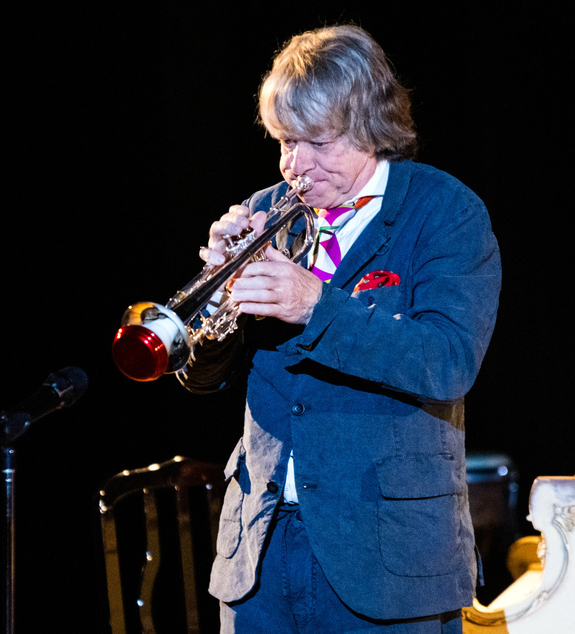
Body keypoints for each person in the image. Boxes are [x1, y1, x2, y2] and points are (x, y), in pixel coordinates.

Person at [178, 24, 501, 633]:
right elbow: (203, 380)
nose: (295, 166)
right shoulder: (270, 210)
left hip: (388, 562)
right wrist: (219, 308)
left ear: (371, 127)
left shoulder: (445, 212)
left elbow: (448, 361)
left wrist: (315, 305)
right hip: (261, 553)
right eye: (284, 142)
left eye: (317, 143)